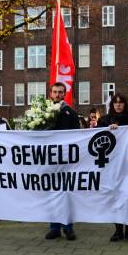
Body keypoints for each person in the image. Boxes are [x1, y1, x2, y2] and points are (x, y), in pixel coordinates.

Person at [98, 93, 128, 244]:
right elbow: (97, 139)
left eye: (121, 102)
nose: (118, 105)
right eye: (115, 102)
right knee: (115, 197)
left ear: (125, 104)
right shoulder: (105, 120)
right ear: (112, 105)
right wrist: (108, 130)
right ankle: (118, 230)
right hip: (112, 167)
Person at [45, 82, 80, 241]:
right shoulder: (42, 112)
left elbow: (77, 136)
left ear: (64, 94)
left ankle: (68, 227)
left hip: (66, 160)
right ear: (50, 93)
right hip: (49, 160)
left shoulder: (70, 113)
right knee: (52, 194)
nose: (57, 95)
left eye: (60, 92)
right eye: (55, 92)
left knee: (67, 194)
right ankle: (54, 228)